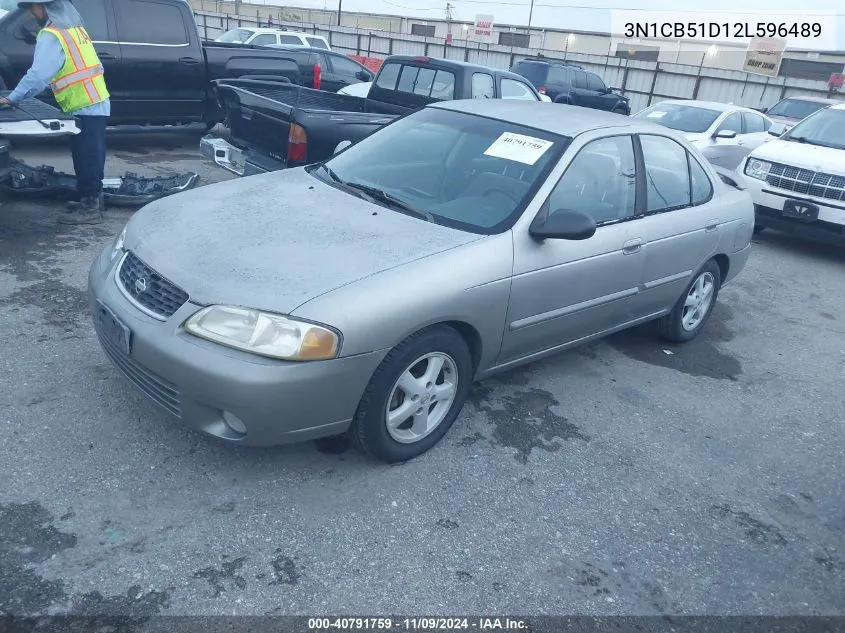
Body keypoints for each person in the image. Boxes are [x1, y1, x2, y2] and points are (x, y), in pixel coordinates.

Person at [0, 0, 110, 225]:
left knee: (88, 156)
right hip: (92, 99)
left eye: (33, 7)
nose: (31, 13)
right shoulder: (74, 29)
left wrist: (12, 97)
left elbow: (38, 75)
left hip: (86, 102)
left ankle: (90, 208)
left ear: (45, 7)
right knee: (88, 154)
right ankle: (90, 199)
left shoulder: (52, 34)